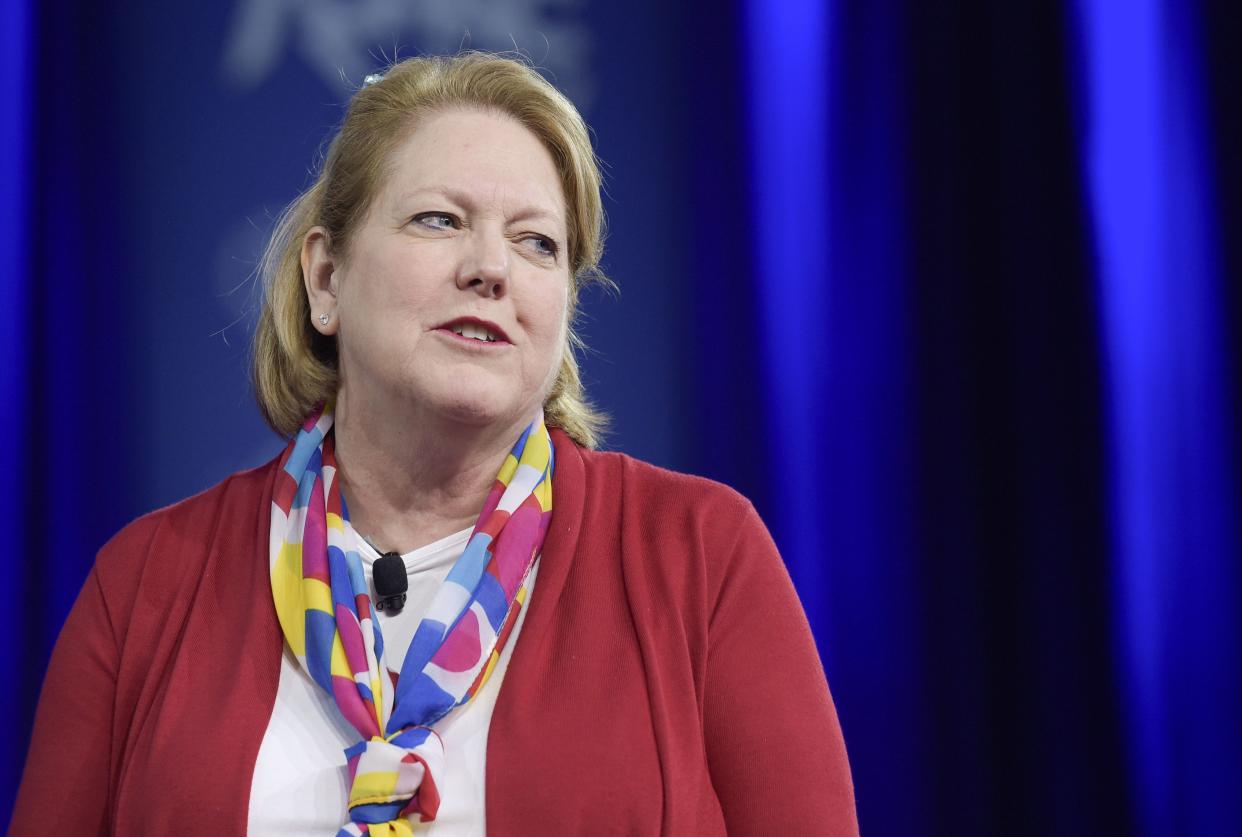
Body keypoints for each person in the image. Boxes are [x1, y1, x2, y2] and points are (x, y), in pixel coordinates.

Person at [11, 52, 857, 836]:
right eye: (439, 220)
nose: (493, 267)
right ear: (326, 278)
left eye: (537, 242)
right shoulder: (145, 584)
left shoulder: (701, 555)